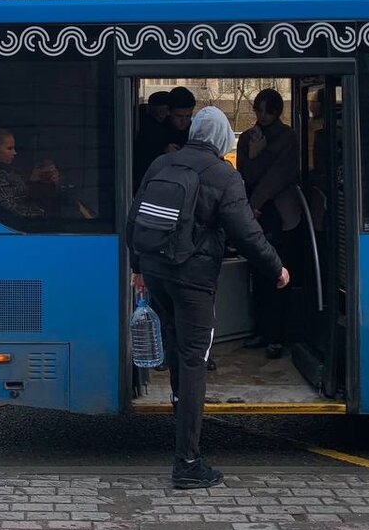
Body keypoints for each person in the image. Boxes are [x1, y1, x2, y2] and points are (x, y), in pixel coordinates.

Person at [128, 106, 289, 490]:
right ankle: (187, 462)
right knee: (194, 361)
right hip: (193, 281)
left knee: (181, 360)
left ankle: (182, 430)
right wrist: (277, 269)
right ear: (221, 139)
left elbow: (136, 217)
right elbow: (248, 234)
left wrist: (137, 268)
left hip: (156, 273)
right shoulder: (224, 175)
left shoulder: (162, 163)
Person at [235, 89, 302, 359]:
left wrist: (255, 203)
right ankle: (261, 330)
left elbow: (279, 175)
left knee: (279, 275)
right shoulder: (250, 137)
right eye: (258, 110)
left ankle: (278, 335)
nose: (262, 116)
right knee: (258, 275)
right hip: (257, 214)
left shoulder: (287, 137)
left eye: (267, 111)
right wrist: (253, 154)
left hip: (278, 214)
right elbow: (244, 172)